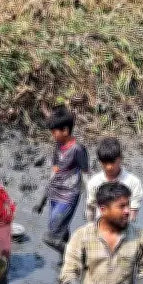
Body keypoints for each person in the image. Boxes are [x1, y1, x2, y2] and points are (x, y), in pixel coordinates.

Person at [33, 108, 90, 266]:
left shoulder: (78, 149)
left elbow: (86, 176)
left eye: (55, 132)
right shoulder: (58, 146)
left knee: (50, 236)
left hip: (69, 195)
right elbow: (54, 172)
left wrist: (88, 203)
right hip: (55, 193)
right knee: (61, 228)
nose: (53, 136)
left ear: (65, 130)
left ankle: (77, 257)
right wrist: (43, 199)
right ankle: (65, 258)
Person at [85, 137, 143, 223]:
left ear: (120, 158)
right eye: (105, 163)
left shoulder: (133, 182)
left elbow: (133, 213)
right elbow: (91, 209)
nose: (109, 167)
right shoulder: (94, 182)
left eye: (112, 162)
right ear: (100, 162)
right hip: (100, 228)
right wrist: (91, 228)